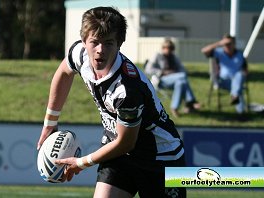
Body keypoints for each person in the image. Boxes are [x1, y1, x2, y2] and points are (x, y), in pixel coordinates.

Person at [37, 6, 186, 198]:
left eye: (108, 43)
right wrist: (50, 124)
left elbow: (126, 142)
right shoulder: (80, 54)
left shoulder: (127, 88)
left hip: (161, 158)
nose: (100, 50)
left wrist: (81, 163)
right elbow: (64, 73)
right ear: (84, 41)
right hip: (118, 153)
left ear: (119, 44)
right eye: (95, 42)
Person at [144, 39, 200, 117]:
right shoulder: (157, 56)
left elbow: (182, 69)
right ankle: (190, 101)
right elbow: (148, 69)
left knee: (181, 82)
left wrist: (176, 73)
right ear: (162, 48)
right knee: (183, 76)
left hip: (175, 79)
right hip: (161, 80)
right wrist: (162, 72)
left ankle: (174, 108)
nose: (168, 50)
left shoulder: (174, 57)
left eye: (170, 48)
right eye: (166, 47)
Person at [201, 33, 248, 115]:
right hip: (223, 81)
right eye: (226, 44)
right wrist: (219, 43)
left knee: (239, 76)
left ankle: (236, 98)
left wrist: (243, 75)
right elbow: (204, 50)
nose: (228, 46)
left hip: (237, 81)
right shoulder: (219, 52)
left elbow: (245, 70)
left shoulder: (240, 55)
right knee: (238, 88)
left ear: (234, 44)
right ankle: (240, 112)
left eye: (230, 44)